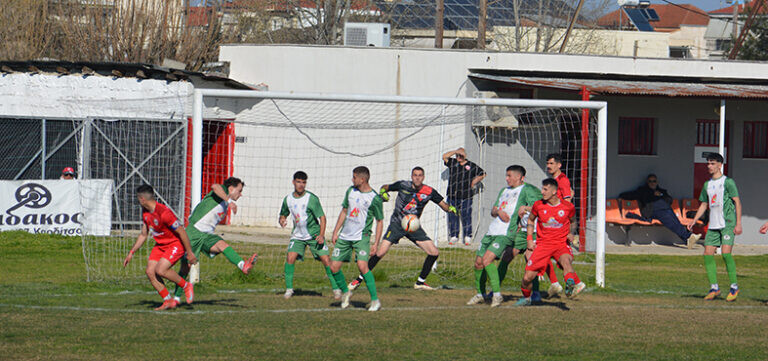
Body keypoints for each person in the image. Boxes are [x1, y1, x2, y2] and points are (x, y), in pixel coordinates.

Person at [347, 167, 458, 292]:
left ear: (423, 177)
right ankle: (358, 280)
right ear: (411, 176)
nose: (417, 178)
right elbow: (385, 187)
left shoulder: (429, 191)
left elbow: (443, 205)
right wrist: (383, 192)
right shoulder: (403, 185)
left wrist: (450, 209)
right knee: (380, 253)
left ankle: (420, 282)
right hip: (397, 225)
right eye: (415, 175)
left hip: (413, 227)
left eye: (420, 175)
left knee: (434, 252)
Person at [170, 177, 258, 307]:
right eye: (239, 191)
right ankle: (176, 298)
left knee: (222, 245)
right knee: (185, 267)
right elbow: (215, 186)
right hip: (193, 233)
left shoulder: (225, 202)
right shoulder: (222, 192)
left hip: (207, 236)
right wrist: (229, 201)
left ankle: (242, 266)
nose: (240, 194)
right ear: (231, 188)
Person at [467, 165, 542, 307]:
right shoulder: (504, 190)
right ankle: (481, 294)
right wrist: (498, 212)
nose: (506, 179)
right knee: (479, 263)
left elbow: (540, 207)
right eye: (506, 176)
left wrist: (525, 209)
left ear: (519, 177)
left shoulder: (527, 190)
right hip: (492, 230)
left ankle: (499, 294)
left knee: (528, 259)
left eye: (509, 176)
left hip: (510, 232)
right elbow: (494, 210)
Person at [123, 185, 198, 311]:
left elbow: (182, 231)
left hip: (175, 244)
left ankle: (186, 286)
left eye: (138, 198)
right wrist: (131, 252)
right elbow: (143, 234)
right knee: (150, 272)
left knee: (160, 270)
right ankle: (168, 300)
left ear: (142, 199)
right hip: (160, 245)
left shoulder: (164, 213)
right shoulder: (145, 212)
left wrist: (189, 252)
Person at [514, 178, 586, 307]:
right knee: (527, 278)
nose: (542, 192)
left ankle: (570, 284)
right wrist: (529, 239)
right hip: (543, 245)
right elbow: (531, 220)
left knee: (566, 261)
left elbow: (573, 221)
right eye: (542, 189)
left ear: (554, 191)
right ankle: (527, 298)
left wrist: (571, 232)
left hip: (561, 244)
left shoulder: (568, 207)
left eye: (545, 189)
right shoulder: (538, 205)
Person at [329, 166, 385, 311]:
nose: (352, 179)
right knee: (333, 267)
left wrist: (376, 243)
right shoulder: (350, 191)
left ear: (362, 179)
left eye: (354, 177)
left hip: (362, 237)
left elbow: (379, 221)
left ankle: (375, 300)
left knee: (362, 266)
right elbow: (344, 211)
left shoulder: (374, 198)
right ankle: (346, 292)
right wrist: (335, 232)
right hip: (345, 236)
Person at [688, 153, 742, 302]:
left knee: (726, 254)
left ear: (719, 165)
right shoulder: (707, 184)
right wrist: (694, 220)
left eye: (712, 163)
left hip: (727, 223)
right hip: (713, 224)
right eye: (708, 163)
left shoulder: (728, 182)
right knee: (707, 254)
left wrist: (738, 223)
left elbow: (737, 202)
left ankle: (734, 286)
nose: (709, 166)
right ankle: (714, 288)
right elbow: (704, 204)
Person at [279, 171, 340, 300]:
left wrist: (322, 235)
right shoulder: (288, 199)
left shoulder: (311, 199)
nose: (301, 185)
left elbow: (322, 218)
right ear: (293, 182)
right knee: (290, 258)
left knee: (326, 260)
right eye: (298, 182)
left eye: (303, 182)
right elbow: (283, 214)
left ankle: (336, 289)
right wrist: (282, 219)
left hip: (314, 235)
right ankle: (289, 290)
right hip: (297, 236)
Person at [619, 174, 702, 248]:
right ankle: (688, 236)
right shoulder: (643, 191)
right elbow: (632, 194)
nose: (652, 183)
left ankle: (687, 240)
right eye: (650, 181)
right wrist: (621, 196)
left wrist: (661, 195)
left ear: (657, 182)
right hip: (653, 212)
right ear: (647, 182)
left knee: (675, 222)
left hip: (666, 210)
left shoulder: (662, 191)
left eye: (654, 181)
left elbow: (670, 200)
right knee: (670, 220)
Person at [541, 153, 571, 297]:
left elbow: (567, 202)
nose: (548, 166)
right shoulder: (553, 181)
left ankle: (564, 283)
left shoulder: (563, 180)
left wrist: (565, 225)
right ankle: (565, 283)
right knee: (550, 254)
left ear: (559, 165)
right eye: (547, 163)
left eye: (551, 163)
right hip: (551, 223)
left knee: (560, 257)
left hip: (558, 224)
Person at [442, 147, 486, 245]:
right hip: (452, 195)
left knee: (466, 215)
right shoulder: (453, 163)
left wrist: (474, 181)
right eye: (457, 155)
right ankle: (454, 236)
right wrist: (455, 151)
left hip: (466, 196)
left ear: (465, 156)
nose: (459, 157)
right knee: (452, 215)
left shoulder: (471, 165)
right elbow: (444, 157)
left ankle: (467, 236)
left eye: (461, 155)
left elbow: (483, 174)